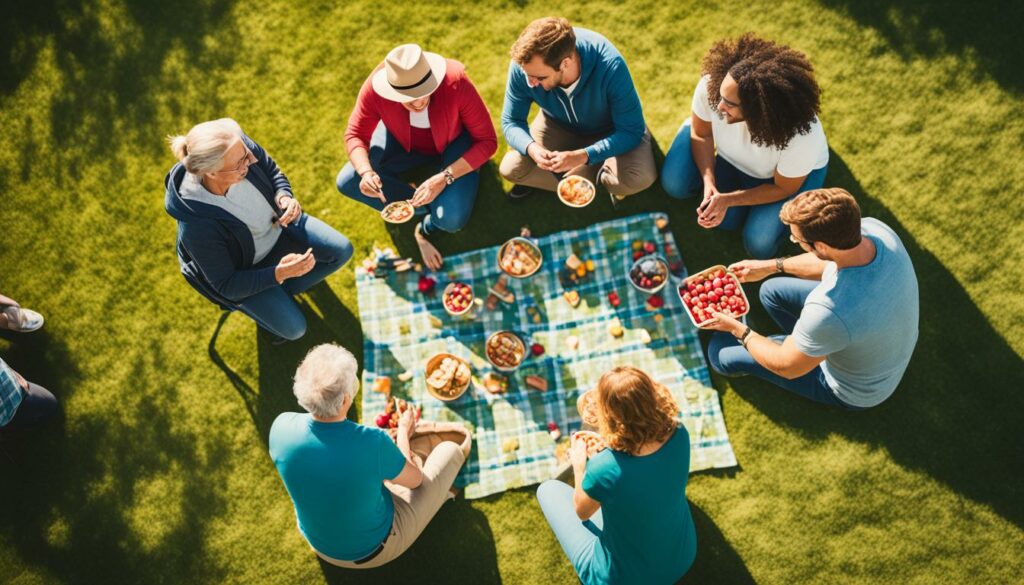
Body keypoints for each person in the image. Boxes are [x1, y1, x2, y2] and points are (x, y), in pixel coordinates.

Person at [704, 188, 919, 410]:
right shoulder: (876, 231)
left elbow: (786, 367)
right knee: (771, 291)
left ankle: (801, 347)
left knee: (720, 355)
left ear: (821, 246)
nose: (794, 241)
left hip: (854, 390)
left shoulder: (828, 310)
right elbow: (827, 262)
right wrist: (771, 266)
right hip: (871, 328)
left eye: (796, 238)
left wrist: (738, 329)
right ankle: (805, 344)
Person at [269, 344, 471, 568]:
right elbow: (415, 481)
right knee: (451, 449)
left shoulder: (280, 426)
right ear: (346, 399)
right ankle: (445, 493)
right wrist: (404, 431)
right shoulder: (373, 442)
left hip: (317, 540)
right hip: (374, 550)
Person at [165, 118, 353, 342]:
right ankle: (277, 299)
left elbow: (271, 169)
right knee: (294, 330)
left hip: (280, 230)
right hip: (247, 269)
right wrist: (279, 273)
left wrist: (284, 195)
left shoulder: (235, 147)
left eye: (246, 154)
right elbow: (226, 284)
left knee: (342, 250)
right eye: (240, 164)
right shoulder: (197, 227)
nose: (249, 162)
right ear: (211, 172)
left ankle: (283, 294)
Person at [661, 33, 829, 259]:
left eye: (730, 104)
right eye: (721, 97)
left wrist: (728, 199)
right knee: (676, 185)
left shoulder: (801, 136)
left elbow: (783, 188)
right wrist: (709, 182)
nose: (719, 106)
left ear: (759, 109)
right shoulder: (713, 86)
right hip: (734, 160)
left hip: (783, 180)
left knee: (758, 244)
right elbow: (701, 134)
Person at [336, 44, 497, 270]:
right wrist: (366, 172)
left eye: (424, 92)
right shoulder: (374, 90)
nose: (419, 102)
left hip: (454, 145)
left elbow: (488, 142)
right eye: (408, 98)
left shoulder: (456, 80)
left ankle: (426, 223)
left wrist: (444, 178)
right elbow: (355, 134)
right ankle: (415, 205)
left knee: (450, 219)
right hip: (402, 143)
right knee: (347, 180)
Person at [536, 367, 697, 584]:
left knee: (547, 490)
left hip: (623, 578)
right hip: (682, 554)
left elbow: (582, 512)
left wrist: (580, 465)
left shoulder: (604, 468)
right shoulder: (679, 431)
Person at [499, 17, 656, 205]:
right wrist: (532, 149)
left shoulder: (609, 65)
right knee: (511, 169)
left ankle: (592, 170)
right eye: (527, 75)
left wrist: (584, 155)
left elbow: (631, 131)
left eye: (539, 77)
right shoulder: (525, 66)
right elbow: (511, 121)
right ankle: (589, 174)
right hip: (556, 123)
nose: (531, 83)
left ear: (565, 63)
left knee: (638, 178)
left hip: (611, 128)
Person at [0, 356, 58, 432]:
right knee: (49, 406)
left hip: (19, 389)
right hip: (7, 411)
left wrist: (10, 372)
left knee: (50, 403)